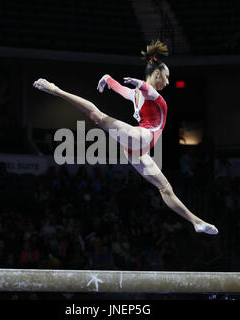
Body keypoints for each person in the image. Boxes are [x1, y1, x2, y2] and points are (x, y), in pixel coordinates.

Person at [33, 40, 217, 235]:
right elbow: (148, 91)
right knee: (98, 116)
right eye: (167, 77)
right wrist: (138, 85)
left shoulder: (142, 95)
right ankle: (55, 89)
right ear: (157, 74)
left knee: (165, 188)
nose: (169, 82)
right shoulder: (151, 95)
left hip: (137, 150)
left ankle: (196, 222)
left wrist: (108, 79)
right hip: (141, 138)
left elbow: (127, 89)